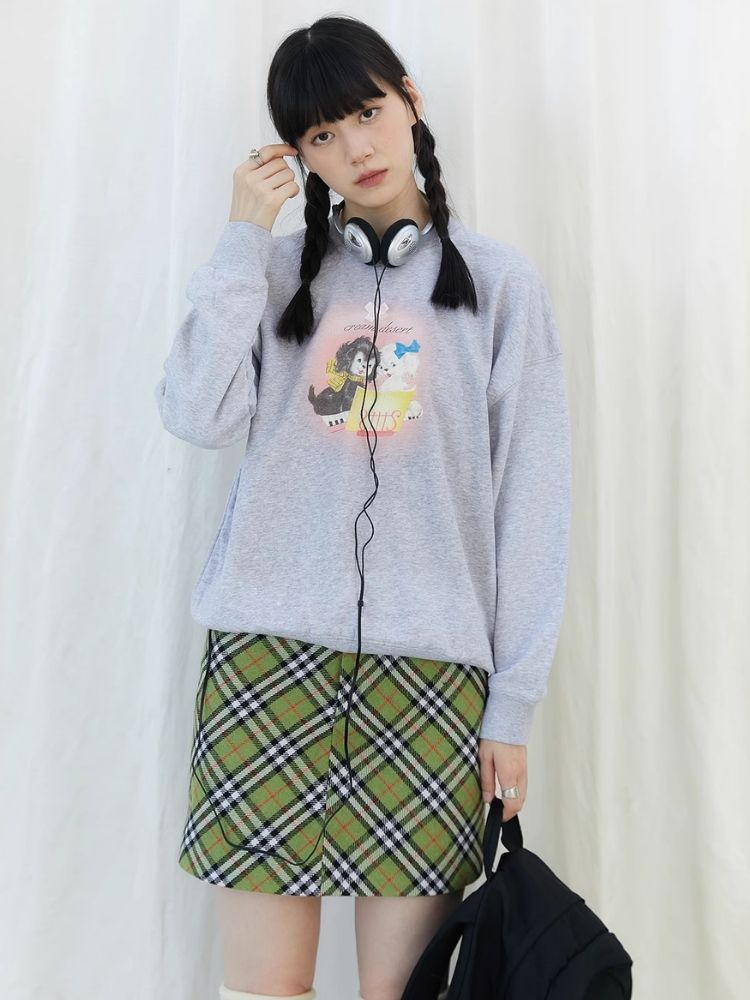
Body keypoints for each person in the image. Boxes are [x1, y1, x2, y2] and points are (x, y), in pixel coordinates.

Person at [154, 14, 571, 1000]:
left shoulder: (499, 286)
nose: (356, 149)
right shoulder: (270, 275)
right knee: (263, 990)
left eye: (369, 113)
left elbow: (534, 501)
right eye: (322, 135)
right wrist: (241, 238)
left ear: (410, 101)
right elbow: (196, 414)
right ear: (297, 155)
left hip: (429, 679)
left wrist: (512, 703)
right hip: (267, 665)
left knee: (400, 992)